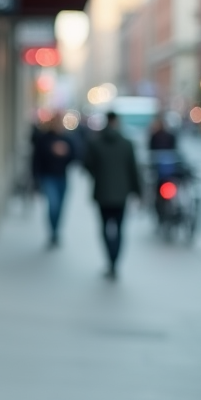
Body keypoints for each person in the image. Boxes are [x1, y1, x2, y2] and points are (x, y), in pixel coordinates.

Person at [84, 111, 141, 279]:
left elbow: (87, 165)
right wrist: (138, 192)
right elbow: (133, 169)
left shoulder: (96, 143)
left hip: (102, 192)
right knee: (119, 229)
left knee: (104, 228)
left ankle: (110, 259)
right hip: (121, 194)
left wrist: (99, 175)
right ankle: (115, 261)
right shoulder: (127, 144)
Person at [31, 112, 75, 247]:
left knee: (60, 207)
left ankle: (56, 232)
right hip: (47, 176)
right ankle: (52, 232)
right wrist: (35, 178)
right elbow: (37, 158)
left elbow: (76, 155)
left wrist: (65, 152)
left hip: (62, 177)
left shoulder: (67, 138)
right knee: (53, 205)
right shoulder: (44, 138)